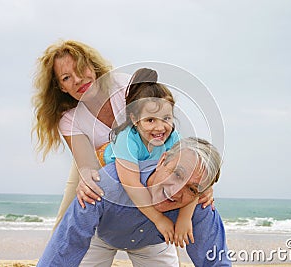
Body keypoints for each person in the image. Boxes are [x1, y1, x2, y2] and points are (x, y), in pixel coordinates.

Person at [32, 40, 215, 233]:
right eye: (67, 77)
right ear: (61, 87)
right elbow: (88, 165)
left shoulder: (124, 85)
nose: (77, 79)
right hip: (98, 158)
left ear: (93, 67)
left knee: (182, 195)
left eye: (81, 68)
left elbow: (163, 123)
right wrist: (86, 178)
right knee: (73, 206)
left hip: (147, 151)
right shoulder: (69, 119)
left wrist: (199, 182)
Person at [37, 137, 231, 267]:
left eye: (191, 188)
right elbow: (68, 242)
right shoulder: (104, 185)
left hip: (152, 244)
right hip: (101, 237)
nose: (175, 191)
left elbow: (214, 259)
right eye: (177, 174)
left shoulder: (198, 203)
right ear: (162, 160)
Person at [102, 67, 197, 247]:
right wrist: (159, 219)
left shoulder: (174, 138)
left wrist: (185, 218)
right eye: (150, 120)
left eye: (166, 118)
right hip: (122, 182)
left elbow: (192, 174)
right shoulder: (127, 138)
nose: (160, 128)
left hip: (152, 182)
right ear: (135, 119)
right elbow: (132, 185)